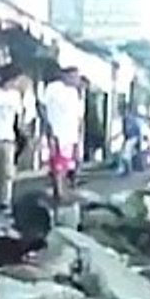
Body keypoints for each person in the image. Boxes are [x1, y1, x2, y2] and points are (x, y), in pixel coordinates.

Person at [0, 64, 29, 213]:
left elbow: (19, 117)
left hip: (8, 137)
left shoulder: (15, 96)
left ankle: (5, 201)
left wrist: (23, 134)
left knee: (7, 171)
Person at [40, 66, 83, 203]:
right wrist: (48, 127)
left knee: (66, 164)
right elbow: (43, 107)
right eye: (74, 76)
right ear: (66, 76)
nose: (77, 80)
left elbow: (78, 116)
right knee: (57, 163)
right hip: (57, 132)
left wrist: (78, 136)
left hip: (70, 133)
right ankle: (58, 191)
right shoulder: (53, 88)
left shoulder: (74, 93)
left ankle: (60, 189)